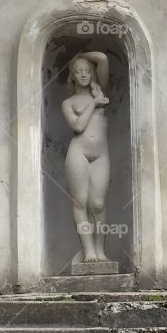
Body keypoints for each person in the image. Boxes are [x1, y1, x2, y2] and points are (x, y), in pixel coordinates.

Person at [62, 51, 111, 262]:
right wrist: (94, 103)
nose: (83, 74)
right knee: (80, 202)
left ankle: (100, 250)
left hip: (101, 153)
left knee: (98, 204)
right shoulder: (68, 103)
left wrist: (79, 55)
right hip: (78, 152)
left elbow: (102, 58)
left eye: (87, 71)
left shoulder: (100, 89)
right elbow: (78, 126)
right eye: (78, 71)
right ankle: (88, 250)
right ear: (72, 75)